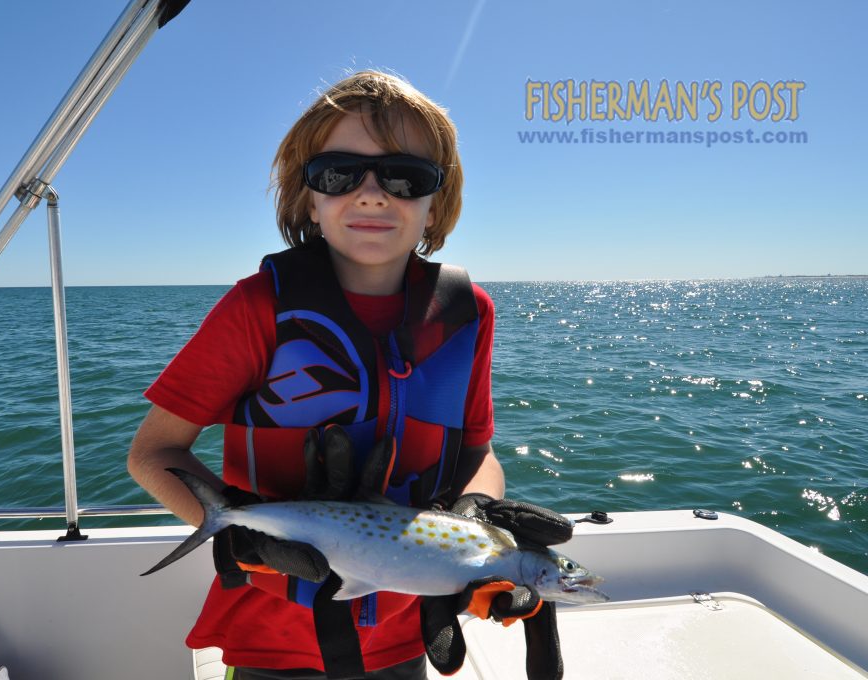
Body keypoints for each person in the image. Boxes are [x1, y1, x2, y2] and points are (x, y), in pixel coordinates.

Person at [128, 70, 570, 680]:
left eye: (405, 176)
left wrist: (475, 511)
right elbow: (153, 452)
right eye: (338, 174)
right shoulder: (256, 308)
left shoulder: (470, 315)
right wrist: (246, 534)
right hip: (270, 637)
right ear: (308, 197)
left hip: (405, 626)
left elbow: (476, 451)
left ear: (435, 201)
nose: (371, 194)